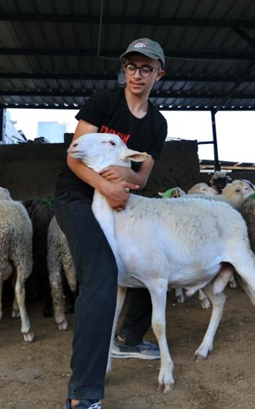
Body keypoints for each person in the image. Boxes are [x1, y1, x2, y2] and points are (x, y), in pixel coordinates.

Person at [54, 38, 169, 409]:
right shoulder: (103, 102)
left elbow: (143, 179)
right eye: (131, 67)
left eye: (146, 68)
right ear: (124, 70)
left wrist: (126, 175)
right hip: (79, 197)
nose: (137, 74)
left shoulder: (156, 123)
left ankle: (130, 338)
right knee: (102, 272)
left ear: (159, 74)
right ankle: (83, 395)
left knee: (146, 259)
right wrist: (106, 184)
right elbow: (73, 157)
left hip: (118, 199)